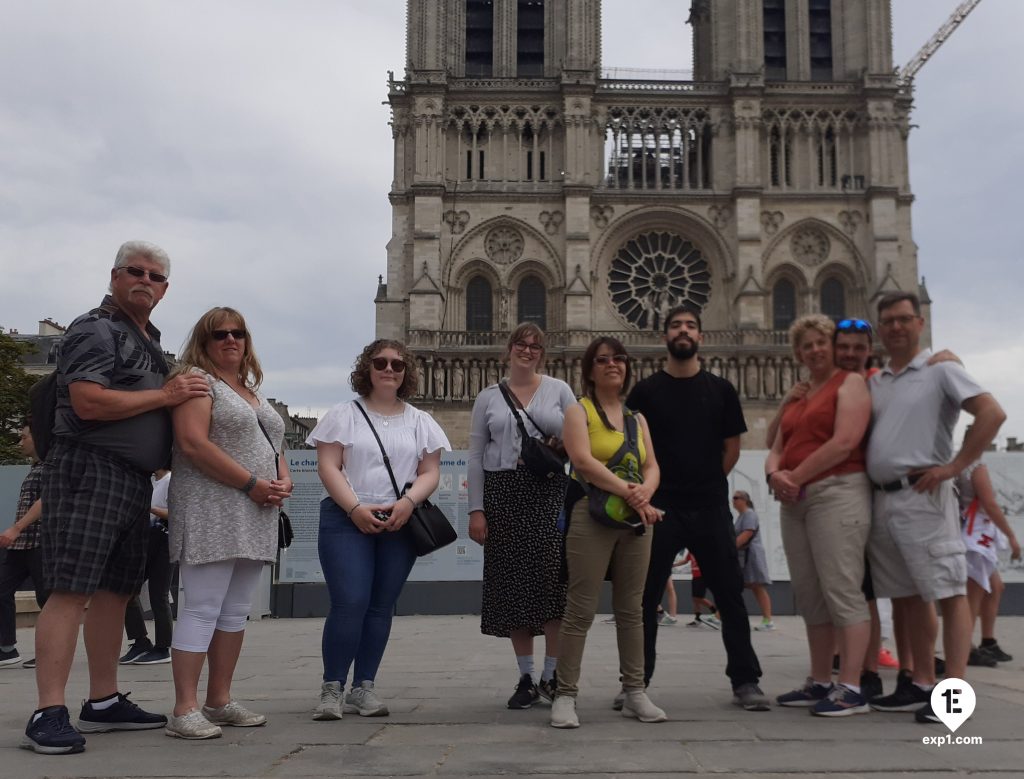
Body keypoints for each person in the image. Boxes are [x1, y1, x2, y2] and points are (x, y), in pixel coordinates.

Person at [24, 241, 209, 755]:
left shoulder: (146, 338)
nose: (144, 281)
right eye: (135, 271)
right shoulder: (95, 328)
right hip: (89, 467)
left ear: (165, 289)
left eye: (155, 276)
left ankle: (102, 699)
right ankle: (48, 710)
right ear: (114, 276)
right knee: (71, 589)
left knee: (113, 593)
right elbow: (87, 401)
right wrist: (167, 396)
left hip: (133, 478)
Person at [865, 292, 1005, 724]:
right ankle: (922, 682)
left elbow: (992, 413)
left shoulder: (941, 368)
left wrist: (955, 467)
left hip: (923, 496)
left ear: (920, 323)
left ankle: (954, 694)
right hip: (886, 499)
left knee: (949, 592)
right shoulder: (879, 380)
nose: (896, 327)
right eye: (888, 321)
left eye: (904, 319)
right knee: (908, 596)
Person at [626, 305, 769, 711]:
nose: (683, 331)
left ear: (700, 336)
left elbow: (732, 446)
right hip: (660, 508)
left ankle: (745, 680)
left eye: (690, 326)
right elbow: (634, 447)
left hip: (708, 505)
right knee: (645, 599)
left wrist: (707, 480)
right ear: (665, 336)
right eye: (676, 326)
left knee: (729, 594)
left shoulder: (721, 390)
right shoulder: (646, 392)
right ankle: (636, 682)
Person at [165, 307, 292, 739]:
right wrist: (253, 483)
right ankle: (185, 708)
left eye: (238, 333)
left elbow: (272, 443)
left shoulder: (250, 390)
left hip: (256, 508)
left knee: (236, 610)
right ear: (204, 342)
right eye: (219, 334)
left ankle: (219, 699)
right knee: (202, 606)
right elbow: (192, 444)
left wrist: (281, 477)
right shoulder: (197, 382)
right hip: (212, 506)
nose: (230, 340)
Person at [308, 339, 449, 721]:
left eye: (398, 365)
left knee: (380, 606)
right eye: (381, 362)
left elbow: (430, 471)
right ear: (366, 368)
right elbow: (329, 466)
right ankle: (332, 686)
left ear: (407, 373)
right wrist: (353, 507)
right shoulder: (344, 414)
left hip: (398, 519)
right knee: (350, 601)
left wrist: (408, 503)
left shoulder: (421, 421)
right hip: (346, 517)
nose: (390, 369)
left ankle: (363, 687)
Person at [550, 337, 666, 728]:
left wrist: (646, 489)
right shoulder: (577, 411)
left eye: (618, 359)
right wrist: (635, 494)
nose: (612, 365)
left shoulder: (639, 418)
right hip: (592, 515)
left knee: (632, 609)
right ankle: (565, 695)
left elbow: (652, 465)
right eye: (603, 360)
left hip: (635, 519)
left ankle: (635, 691)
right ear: (590, 369)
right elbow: (582, 460)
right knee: (580, 607)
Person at [766, 315, 873, 717]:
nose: (814, 350)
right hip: (796, 500)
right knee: (810, 593)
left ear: (833, 346)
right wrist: (776, 473)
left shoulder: (851, 384)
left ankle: (851, 686)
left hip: (837, 493)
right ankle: (820, 681)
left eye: (820, 343)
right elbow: (775, 443)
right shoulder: (799, 394)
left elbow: (845, 441)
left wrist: (793, 476)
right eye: (806, 345)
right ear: (797, 353)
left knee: (842, 589)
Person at [467, 324, 575, 709]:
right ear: (509, 349)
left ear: (541, 353)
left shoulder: (559, 390)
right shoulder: (487, 398)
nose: (527, 351)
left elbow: (578, 439)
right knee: (512, 585)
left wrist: (554, 433)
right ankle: (526, 677)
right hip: (502, 493)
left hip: (546, 491)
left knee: (551, 583)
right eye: (521, 344)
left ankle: (552, 676)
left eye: (535, 346)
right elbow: (477, 455)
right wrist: (476, 509)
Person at [955, 462, 1021, 665]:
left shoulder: (961, 464)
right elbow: (989, 503)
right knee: (973, 596)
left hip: (976, 530)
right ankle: (965, 648)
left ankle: (987, 641)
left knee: (994, 587)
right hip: (975, 535)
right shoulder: (975, 466)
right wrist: (1011, 536)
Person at [0, 426, 49, 669]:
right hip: (21, 545)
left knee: (47, 599)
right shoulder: (34, 470)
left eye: (23, 437)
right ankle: (6, 648)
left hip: (40, 543)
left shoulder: (51, 467)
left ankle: (51, 651)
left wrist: (15, 528)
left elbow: (45, 501)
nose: (20, 442)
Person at [119, 468, 173, 665]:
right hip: (144, 539)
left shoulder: (170, 480)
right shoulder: (149, 480)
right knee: (126, 591)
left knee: (158, 594)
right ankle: (140, 640)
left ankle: (163, 647)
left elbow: (176, 512)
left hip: (163, 540)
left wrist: (148, 508)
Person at [731, 491, 773, 631]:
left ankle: (768, 620)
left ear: (744, 500)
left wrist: (730, 549)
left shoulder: (749, 514)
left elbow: (746, 534)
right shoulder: (742, 516)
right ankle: (720, 616)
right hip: (744, 555)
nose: (733, 500)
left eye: (736, 498)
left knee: (756, 586)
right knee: (741, 585)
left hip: (752, 555)